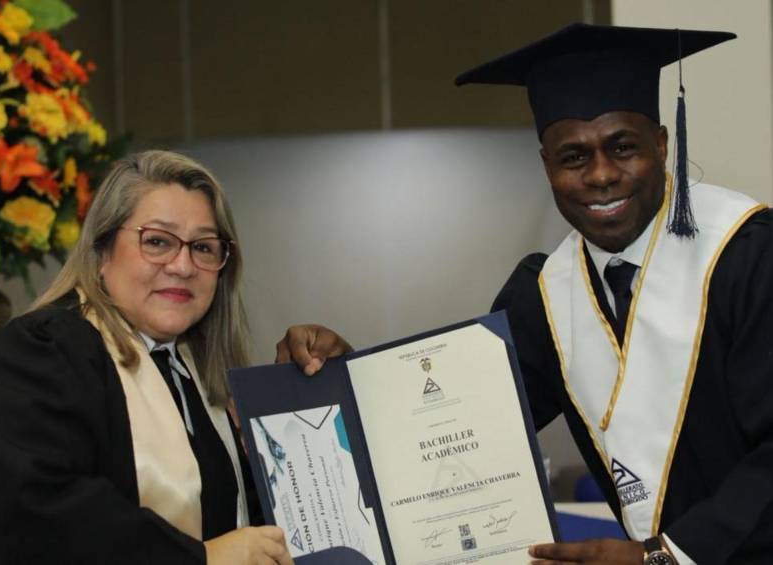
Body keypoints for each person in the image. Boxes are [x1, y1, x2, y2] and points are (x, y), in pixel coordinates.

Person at [283, 23, 773, 565]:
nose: (602, 175)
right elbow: (458, 421)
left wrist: (662, 557)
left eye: (623, 147)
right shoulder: (547, 296)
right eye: (574, 157)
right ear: (547, 165)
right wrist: (339, 378)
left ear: (660, 145)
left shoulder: (747, 256)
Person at [0, 151, 295, 564]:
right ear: (102, 253)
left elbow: (249, 525)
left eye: (204, 248)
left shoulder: (193, 375)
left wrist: (306, 396)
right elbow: (37, 512)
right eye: (157, 241)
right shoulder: (46, 350)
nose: (183, 265)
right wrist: (200, 560)